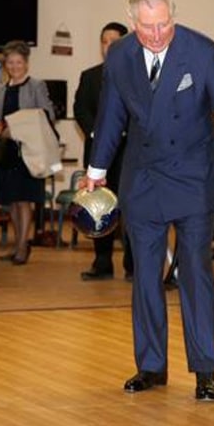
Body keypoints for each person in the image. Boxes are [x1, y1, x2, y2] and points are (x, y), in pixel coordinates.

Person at [82, 0, 214, 401]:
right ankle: (150, 365)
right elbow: (110, 117)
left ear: (172, 17)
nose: (157, 35)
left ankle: (205, 369)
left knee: (195, 272)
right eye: (147, 27)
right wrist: (96, 169)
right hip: (142, 179)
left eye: (164, 25)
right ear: (132, 22)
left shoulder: (201, 52)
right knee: (145, 275)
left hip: (193, 177)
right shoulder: (122, 55)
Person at [73, 21, 134, 280]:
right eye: (104, 41)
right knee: (97, 206)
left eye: (114, 41)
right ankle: (102, 263)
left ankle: (133, 266)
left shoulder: (136, 76)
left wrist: (121, 133)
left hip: (128, 154)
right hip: (98, 153)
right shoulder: (90, 76)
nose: (108, 46)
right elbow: (80, 109)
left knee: (130, 209)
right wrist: (98, 134)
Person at [0, 40, 55, 265]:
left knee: (24, 199)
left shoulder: (36, 86)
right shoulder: (1, 90)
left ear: (26, 64)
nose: (14, 66)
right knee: (12, 201)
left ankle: (22, 247)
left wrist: (17, 126)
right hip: (7, 152)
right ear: (5, 65)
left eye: (18, 62)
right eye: (10, 62)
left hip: (29, 151)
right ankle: (19, 244)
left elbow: (47, 114)